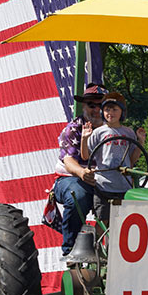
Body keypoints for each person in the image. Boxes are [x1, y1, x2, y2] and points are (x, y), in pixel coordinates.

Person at [53, 83, 107, 255]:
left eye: (101, 105)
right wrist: (82, 173)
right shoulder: (73, 129)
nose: (97, 110)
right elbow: (68, 161)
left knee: (125, 198)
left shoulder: (115, 131)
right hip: (70, 178)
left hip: (104, 180)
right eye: (92, 105)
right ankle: (72, 250)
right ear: (84, 106)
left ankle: (108, 249)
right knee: (78, 196)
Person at [82, 91, 146, 223]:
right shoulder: (98, 132)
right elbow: (85, 156)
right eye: (107, 109)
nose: (110, 113)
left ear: (122, 112)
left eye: (114, 109)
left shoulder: (128, 132)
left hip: (124, 185)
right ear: (102, 112)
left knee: (123, 222)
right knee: (103, 221)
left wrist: (141, 142)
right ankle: (99, 238)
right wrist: (84, 139)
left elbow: (132, 160)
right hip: (103, 186)